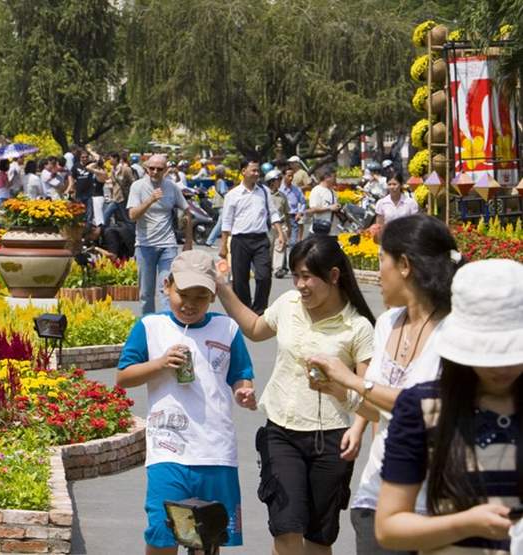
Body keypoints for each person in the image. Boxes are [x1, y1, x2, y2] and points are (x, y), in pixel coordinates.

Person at [305, 214, 460, 555]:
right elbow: (377, 410)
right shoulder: (388, 323)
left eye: (380, 262)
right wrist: (338, 390)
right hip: (377, 496)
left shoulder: (455, 333)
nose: (377, 275)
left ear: (404, 265)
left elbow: (429, 411)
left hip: (435, 505)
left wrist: (352, 381)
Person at [216, 235, 375, 555]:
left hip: (331, 439)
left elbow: (367, 391)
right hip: (281, 431)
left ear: (333, 275)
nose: (300, 285)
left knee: (319, 538)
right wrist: (223, 288)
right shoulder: (288, 305)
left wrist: (356, 431)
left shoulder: (358, 327)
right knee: (286, 528)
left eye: (307, 276)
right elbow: (256, 328)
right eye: (295, 275)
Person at [375, 259, 522, 554]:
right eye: (489, 352)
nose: (502, 366)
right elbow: (389, 528)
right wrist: (465, 524)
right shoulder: (422, 406)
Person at [117, 249, 257, 555]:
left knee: (208, 540)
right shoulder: (150, 327)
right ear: (167, 286)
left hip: (216, 452)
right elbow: (124, 376)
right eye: (183, 294)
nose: (191, 304)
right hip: (168, 451)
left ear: (213, 298)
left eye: (201, 297)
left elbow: (241, 375)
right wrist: (160, 364)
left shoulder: (227, 329)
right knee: (162, 534)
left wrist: (244, 391)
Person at [127, 154, 192, 315]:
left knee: (166, 290)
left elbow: (188, 211)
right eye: (152, 168)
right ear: (146, 168)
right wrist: (150, 200)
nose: (155, 172)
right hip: (145, 245)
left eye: (159, 169)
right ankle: (148, 326)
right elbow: (132, 215)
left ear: (165, 170)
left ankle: (167, 325)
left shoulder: (171, 187)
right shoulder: (137, 186)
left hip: (167, 245)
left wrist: (188, 240)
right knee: (146, 294)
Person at [219, 159, 285, 316]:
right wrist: (223, 245)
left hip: (261, 240)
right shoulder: (232, 195)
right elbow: (226, 222)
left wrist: (280, 233)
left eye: (257, 171)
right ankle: (244, 310)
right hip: (240, 240)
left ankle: (260, 309)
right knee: (240, 280)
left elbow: (273, 212)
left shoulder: (264, 191)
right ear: (243, 172)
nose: (256, 174)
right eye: (253, 170)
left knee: (264, 276)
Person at [277, 168, 307, 277]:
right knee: (283, 242)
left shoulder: (297, 190)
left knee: (293, 243)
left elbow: (303, 202)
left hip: (294, 218)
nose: (291, 178)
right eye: (288, 175)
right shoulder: (279, 190)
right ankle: (282, 266)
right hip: (282, 219)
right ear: (283, 176)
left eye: (292, 176)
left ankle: (293, 265)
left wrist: (300, 212)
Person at [265, 170, 291, 279]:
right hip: (268, 225)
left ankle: (278, 269)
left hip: (282, 224)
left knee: (280, 246)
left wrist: (289, 226)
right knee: (268, 247)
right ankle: (268, 267)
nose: (280, 182)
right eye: (278, 179)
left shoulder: (282, 196)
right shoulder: (264, 195)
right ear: (271, 182)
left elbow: (286, 212)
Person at [307, 168, 341, 236]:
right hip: (319, 230)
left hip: (332, 232)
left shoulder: (333, 192)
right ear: (326, 177)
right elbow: (313, 209)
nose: (335, 179)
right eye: (334, 176)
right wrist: (329, 208)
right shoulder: (317, 190)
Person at [204, 165, 231, 248]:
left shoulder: (218, 181)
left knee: (222, 223)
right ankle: (209, 241)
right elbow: (223, 192)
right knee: (220, 224)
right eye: (224, 171)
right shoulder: (221, 181)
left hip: (219, 204)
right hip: (222, 204)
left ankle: (211, 241)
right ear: (222, 172)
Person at [104, 152, 134, 226]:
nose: (109, 161)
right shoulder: (112, 170)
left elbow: (133, 182)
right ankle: (104, 232)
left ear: (115, 158)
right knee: (106, 216)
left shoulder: (125, 169)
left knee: (126, 218)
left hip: (123, 198)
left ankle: (132, 232)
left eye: (110, 158)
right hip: (115, 198)